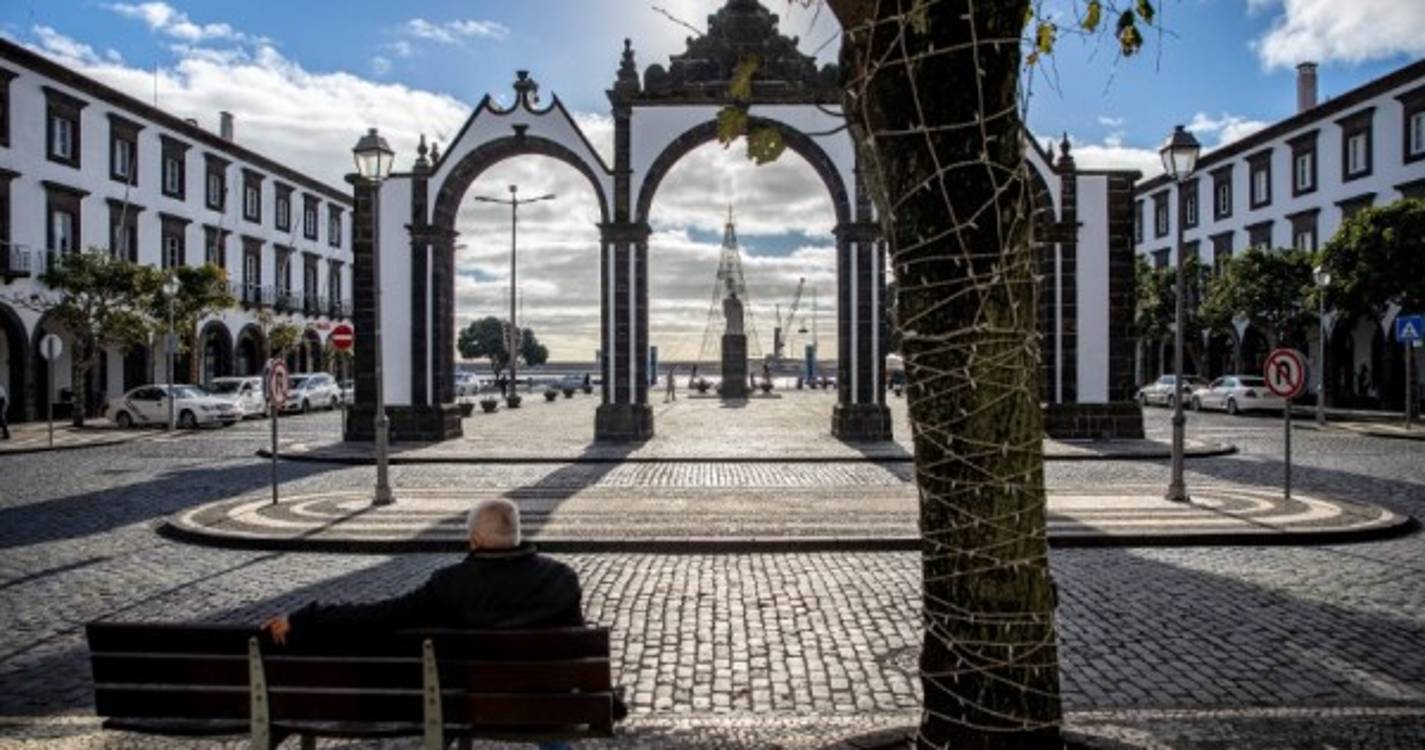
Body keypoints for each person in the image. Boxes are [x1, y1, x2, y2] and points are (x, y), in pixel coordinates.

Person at [263, 499, 585, 750]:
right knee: (548, 704)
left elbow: (379, 617)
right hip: (541, 705)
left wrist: (308, 617)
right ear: (516, 536)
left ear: (474, 540)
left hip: (465, 706)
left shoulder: (450, 585)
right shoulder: (561, 580)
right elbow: (578, 651)